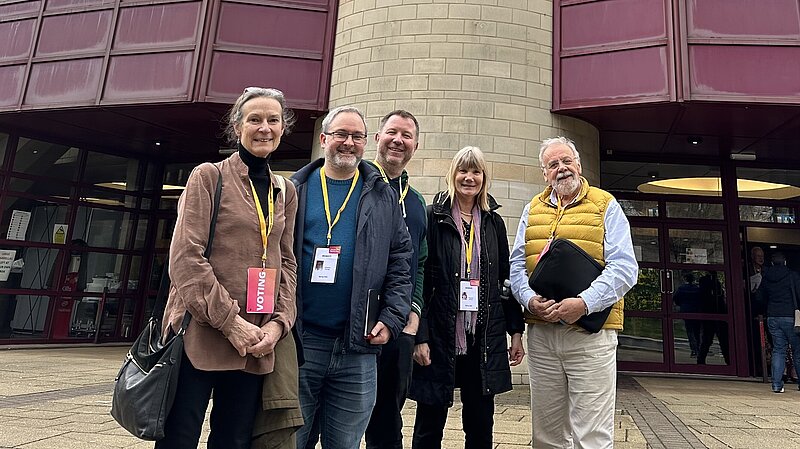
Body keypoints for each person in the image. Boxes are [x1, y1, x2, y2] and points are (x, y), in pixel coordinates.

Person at [158, 87, 298, 449]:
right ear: (237, 128)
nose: (264, 127)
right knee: (179, 436)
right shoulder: (208, 176)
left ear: (283, 128)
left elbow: (287, 262)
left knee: (234, 439)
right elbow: (186, 258)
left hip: (254, 341)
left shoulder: (285, 190)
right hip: (201, 333)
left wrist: (278, 324)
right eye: (254, 119)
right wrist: (230, 322)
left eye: (273, 120)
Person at [290, 105, 413, 449]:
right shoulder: (295, 190)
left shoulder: (381, 194)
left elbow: (402, 261)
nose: (348, 143)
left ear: (365, 143)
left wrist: (392, 317)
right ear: (324, 138)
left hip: (358, 347)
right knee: (290, 441)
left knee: (344, 444)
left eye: (356, 136)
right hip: (302, 343)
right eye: (341, 135)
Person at [509, 136, 637, 449]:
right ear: (544, 173)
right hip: (542, 335)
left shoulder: (605, 205)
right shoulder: (531, 209)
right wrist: (529, 300)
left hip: (590, 335)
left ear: (578, 165)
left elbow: (624, 268)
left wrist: (583, 304)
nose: (561, 169)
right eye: (553, 164)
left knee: (591, 436)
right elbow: (516, 268)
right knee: (547, 435)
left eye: (567, 161)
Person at [410, 146, 525, 449]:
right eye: (463, 170)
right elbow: (420, 279)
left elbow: (505, 279)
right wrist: (419, 336)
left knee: (480, 424)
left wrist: (515, 332)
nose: (469, 177)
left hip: (481, 338)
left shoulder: (492, 222)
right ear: (453, 175)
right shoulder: (433, 217)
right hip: (440, 335)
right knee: (429, 423)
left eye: (476, 172)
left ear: (484, 178)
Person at [364, 110, 428, 449]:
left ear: (416, 146)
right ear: (377, 139)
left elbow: (420, 264)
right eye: (392, 132)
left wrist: (413, 314)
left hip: (399, 327)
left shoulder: (417, 202)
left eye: (406, 136)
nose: (398, 141)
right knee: (332, 417)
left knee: (387, 421)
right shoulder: (356, 185)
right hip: (354, 324)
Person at [757, 252, 800, 393]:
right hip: (791, 317)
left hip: (773, 316)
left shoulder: (766, 277)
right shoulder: (792, 276)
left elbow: (759, 297)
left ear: (772, 263)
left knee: (778, 350)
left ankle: (776, 385)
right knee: (797, 351)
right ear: (785, 262)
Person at [672, 271, 702, 357]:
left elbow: (676, 298)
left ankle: (694, 350)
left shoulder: (682, 288)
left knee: (690, 331)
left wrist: (682, 305)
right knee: (697, 331)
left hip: (686, 311)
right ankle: (699, 348)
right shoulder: (697, 288)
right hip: (697, 311)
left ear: (685, 279)